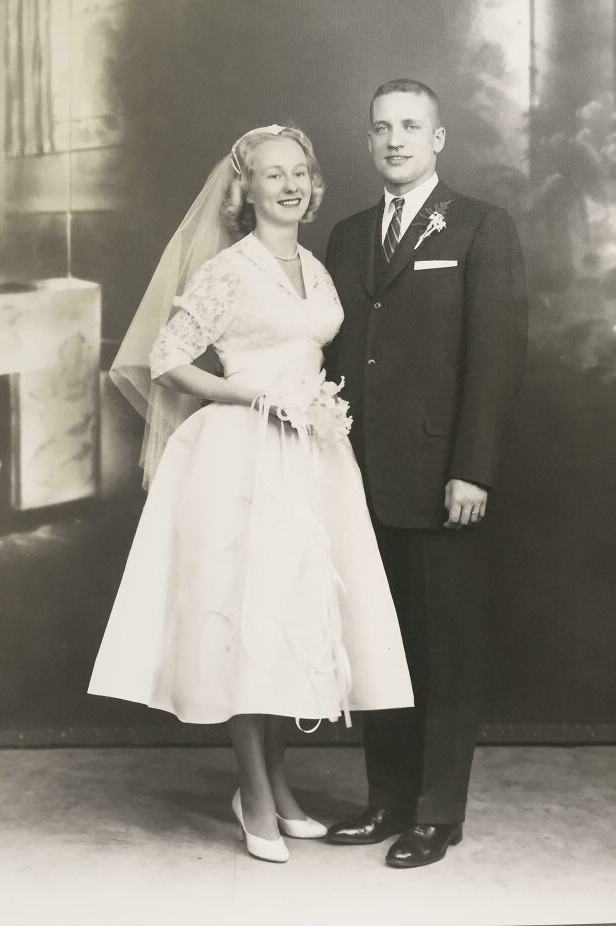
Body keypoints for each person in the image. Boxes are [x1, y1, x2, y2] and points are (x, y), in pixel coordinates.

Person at [88, 124, 413, 864]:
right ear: (247, 190)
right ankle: (254, 795)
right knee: (245, 620)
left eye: (300, 172)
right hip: (244, 460)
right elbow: (164, 358)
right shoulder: (230, 269)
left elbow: (314, 348)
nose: (291, 185)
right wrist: (245, 397)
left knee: (287, 618)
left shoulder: (316, 268)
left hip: (314, 459)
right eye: (274, 175)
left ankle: (279, 786)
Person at [324, 80, 527, 868]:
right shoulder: (345, 236)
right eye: (382, 128)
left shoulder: (481, 227)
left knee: (444, 649)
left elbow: (497, 359)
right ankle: (386, 802)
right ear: (369, 142)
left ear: (439, 139)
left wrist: (472, 469)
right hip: (357, 475)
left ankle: (438, 814)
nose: (395, 140)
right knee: (381, 642)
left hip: (444, 476)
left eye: (411, 127)